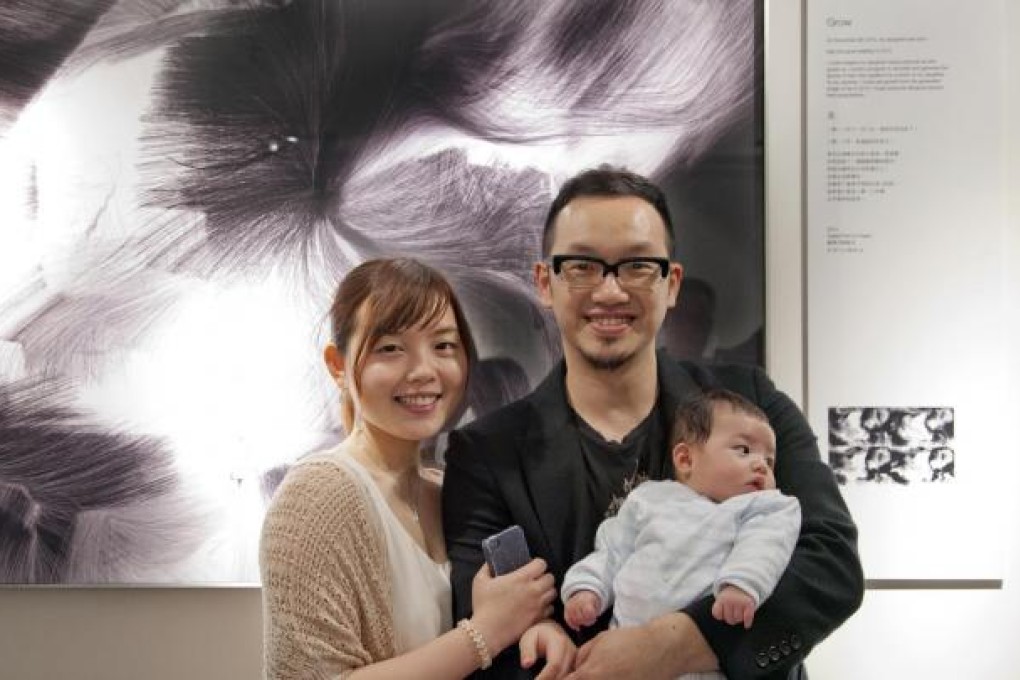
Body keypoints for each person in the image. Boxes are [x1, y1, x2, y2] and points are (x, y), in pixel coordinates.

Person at [442, 167, 864, 679]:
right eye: (581, 266)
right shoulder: (486, 454)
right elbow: (486, 618)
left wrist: (680, 643)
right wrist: (538, 637)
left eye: (638, 265)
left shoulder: (753, 403)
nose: (611, 291)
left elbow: (830, 563)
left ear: (672, 284)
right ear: (545, 283)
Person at [260, 258, 571, 679]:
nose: (424, 371)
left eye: (443, 346)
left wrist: (536, 626)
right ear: (337, 365)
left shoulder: (452, 487)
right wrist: (485, 633)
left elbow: (507, 609)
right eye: (390, 348)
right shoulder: (317, 497)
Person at [561, 389, 801, 680]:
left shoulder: (765, 506)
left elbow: (766, 546)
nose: (761, 464)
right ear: (686, 459)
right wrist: (588, 589)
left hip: (700, 662)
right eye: (744, 450)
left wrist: (743, 584)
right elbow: (612, 551)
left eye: (770, 460)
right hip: (623, 650)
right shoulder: (648, 499)